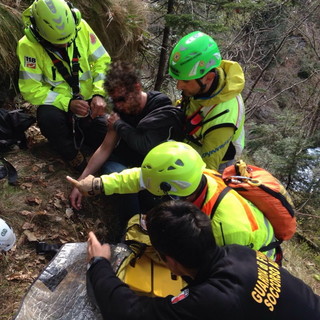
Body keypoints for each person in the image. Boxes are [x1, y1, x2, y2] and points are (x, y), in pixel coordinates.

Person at [86, 200, 320, 320]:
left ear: (171, 262)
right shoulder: (240, 252)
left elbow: (129, 312)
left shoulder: (213, 299)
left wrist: (99, 263)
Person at [67, 141, 276, 259]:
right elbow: (139, 178)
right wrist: (97, 184)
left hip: (251, 259)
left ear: (172, 191)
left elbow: (210, 275)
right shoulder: (195, 175)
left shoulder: (222, 227)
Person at [69, 61, 184, 238]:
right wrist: (81, 181)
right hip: (123, 163)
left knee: (150, 196)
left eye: (123, 99)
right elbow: (106, 147)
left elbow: (147, 145)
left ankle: (142, 230)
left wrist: (120, 125)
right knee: (119, 176)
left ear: (137, 87)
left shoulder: (160, 104)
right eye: (115, 100)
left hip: (152, 167)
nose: (120, 105)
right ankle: (131, 231)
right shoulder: (120, 109)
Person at [17, 0, 111, 171]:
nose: (65, 45)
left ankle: (87, 143)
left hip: (88, 100)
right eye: (57, 43)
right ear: (39, 33)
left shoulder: (81, 26)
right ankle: (73, 156)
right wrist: (67, 103)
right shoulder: (28, 45)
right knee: (48, 119)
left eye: (69, 39)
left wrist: (99, 94)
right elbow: (30, 89)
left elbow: (102, 61)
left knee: (102, 133)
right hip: (57, 104)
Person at [168, 30, 245, 172]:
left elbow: (207, 172)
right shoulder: (203, 79)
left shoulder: (222, 120)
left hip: (214, 165)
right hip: (188, 145)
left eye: (185, 81)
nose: (179, 86)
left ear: (208, 78)